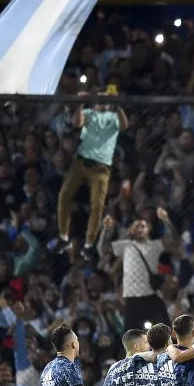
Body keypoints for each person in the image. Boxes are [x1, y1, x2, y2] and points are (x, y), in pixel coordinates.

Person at [57, 88, 129, 263]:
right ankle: (63, 236)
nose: (102, 101)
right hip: (81, 161)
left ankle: (89, 244)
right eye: (99, 98)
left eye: (105, 98)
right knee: (64, 195)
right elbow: (77, 122)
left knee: (97, 205)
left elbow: (124, 125)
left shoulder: (113, 116)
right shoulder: (88, 113)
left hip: (102, 166)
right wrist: (81, 103)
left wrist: (117, 105)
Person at [99, 208, 176, 331]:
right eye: (137, 226)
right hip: (132, 299)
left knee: (164, 332)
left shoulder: (155, 245)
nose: (140, 229)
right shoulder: (126, 245)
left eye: (143, 226)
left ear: (149, 228)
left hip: (150, 296)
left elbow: (172, 241)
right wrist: (106, 230)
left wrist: (166, 221)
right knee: (132, 337)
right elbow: (103, 249)